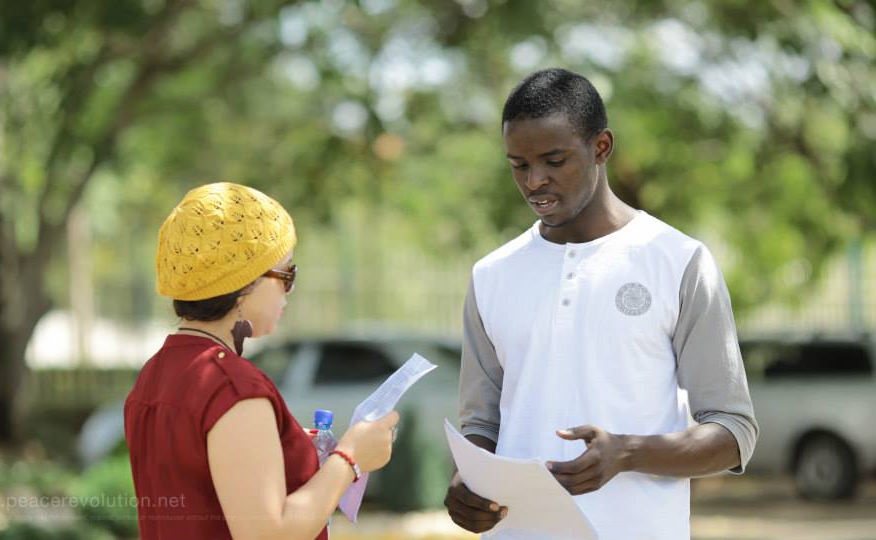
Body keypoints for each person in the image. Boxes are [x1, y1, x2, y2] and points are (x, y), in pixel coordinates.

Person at [443, 69, 758, 539]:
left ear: (601, 147)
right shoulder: (492, 275)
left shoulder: (678, 261)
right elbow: (481, 423)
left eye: (554, 160)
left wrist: (629, 452)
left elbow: (734, 433)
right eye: (519, 165)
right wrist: (466, 484)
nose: (534, 182)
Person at [125, 183, 399, 540]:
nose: (290, 290)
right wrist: (350, 457)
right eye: (286, 275)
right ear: (243, 283)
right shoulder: (232, 386)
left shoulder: (158, 372)